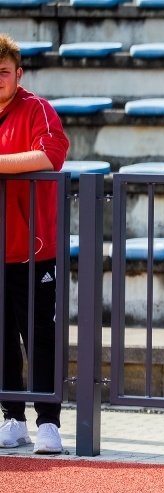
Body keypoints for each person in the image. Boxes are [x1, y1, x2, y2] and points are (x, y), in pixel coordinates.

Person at [0, 34, 70, 454]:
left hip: (33, 248)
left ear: (18, 74)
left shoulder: (37, 109)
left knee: (39, 334)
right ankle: (12, 419)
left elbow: (51, 155)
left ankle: (48, 423)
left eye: (3, 73)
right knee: (2, 338)